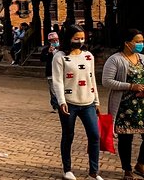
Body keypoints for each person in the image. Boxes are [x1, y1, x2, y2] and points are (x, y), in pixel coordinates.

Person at [51, 25, 101, 180]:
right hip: (69, 103)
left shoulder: (88, 56)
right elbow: (57, 81)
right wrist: (61, 101)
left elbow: (92, 79)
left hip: (88, 101)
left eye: (82, 38)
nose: (80, 41)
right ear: (68, 38)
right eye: (76, 38)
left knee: (94, 135)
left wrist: (97, 101)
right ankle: (67, 169)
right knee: (68, 135)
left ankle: (94, 171)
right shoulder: (59, 56)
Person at [102, 29, 144, 179]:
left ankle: (140, 163)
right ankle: (127, 169)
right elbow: (106, 81)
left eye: (142, 41)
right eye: (137, 41)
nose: (141, 44)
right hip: (124, 106)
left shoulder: (142, 58)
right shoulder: (115, 60)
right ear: (127, 43)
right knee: (126, 139)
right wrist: (130, 86)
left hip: (142, 105)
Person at [44, 32, 61, 112]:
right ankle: (55, 106)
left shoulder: (62, 49)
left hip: (60, 72)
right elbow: (42, 59)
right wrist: (48, 53)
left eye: (55, 40)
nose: (54, 42)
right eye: (52, 41)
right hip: (50, 72)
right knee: (53, 90)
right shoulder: (46, 49)